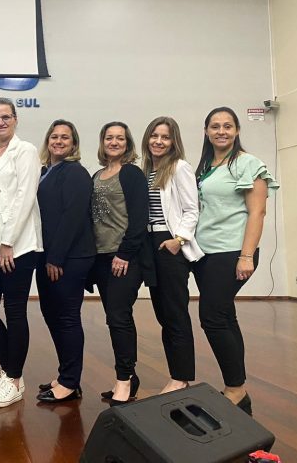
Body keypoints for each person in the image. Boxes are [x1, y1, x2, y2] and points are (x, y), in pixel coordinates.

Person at [194, 107, 278, 416]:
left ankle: (235, 389)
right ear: (206, 131)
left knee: (212, 317)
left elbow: (257, 212)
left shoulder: (247, 163)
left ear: (237, 130)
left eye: (227, 126)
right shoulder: (207, 166)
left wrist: (246, 256)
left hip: (232, 251)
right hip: (206, 253)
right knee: (225, 317)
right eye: (215, 126)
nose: (221, 131)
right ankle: (237, 388)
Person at [0, 98, 43, 408]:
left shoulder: (25, 151)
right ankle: (11, 371)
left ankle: (13, 380)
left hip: (16, 243)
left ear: (15, 119)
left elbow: (25, 196)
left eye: (6, 117)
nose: (0, 122)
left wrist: (8, 242)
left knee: (14, 311)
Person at [140, 117, 204, 394]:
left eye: (165, 137)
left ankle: (181, 377)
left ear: (173, 141)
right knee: (163, 314)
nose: (158, 141)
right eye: (154, 135)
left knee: (175, 312)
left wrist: (178, 240)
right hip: (149, 243)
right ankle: (176, 374)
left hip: (169, 242)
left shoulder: (179, 167)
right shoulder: (145, 171)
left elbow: (192, 209)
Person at [89, 121, 152, 406]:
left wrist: (124, 254)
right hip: (102, 258)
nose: (114, 142)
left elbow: (139, 218)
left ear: (127, 143)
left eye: (120, 138)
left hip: (125, 257)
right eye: (109, 138)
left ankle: (124, 379)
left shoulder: (132, 174)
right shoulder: (97, 175)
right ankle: (129, 378)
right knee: (113, 317)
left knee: (119, 317)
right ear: (102, 142)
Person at [35, 120, 96, 404]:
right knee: (52, 315)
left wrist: (56, 257)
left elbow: (73, 217)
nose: (58, 141)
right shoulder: (46, 171)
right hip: (48, 255)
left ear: (74, 144)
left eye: (65, 137)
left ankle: (70, 382)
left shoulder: (75, 172)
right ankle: (65, 375)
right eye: (54, 136)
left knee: (67, 317)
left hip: (68, 258)